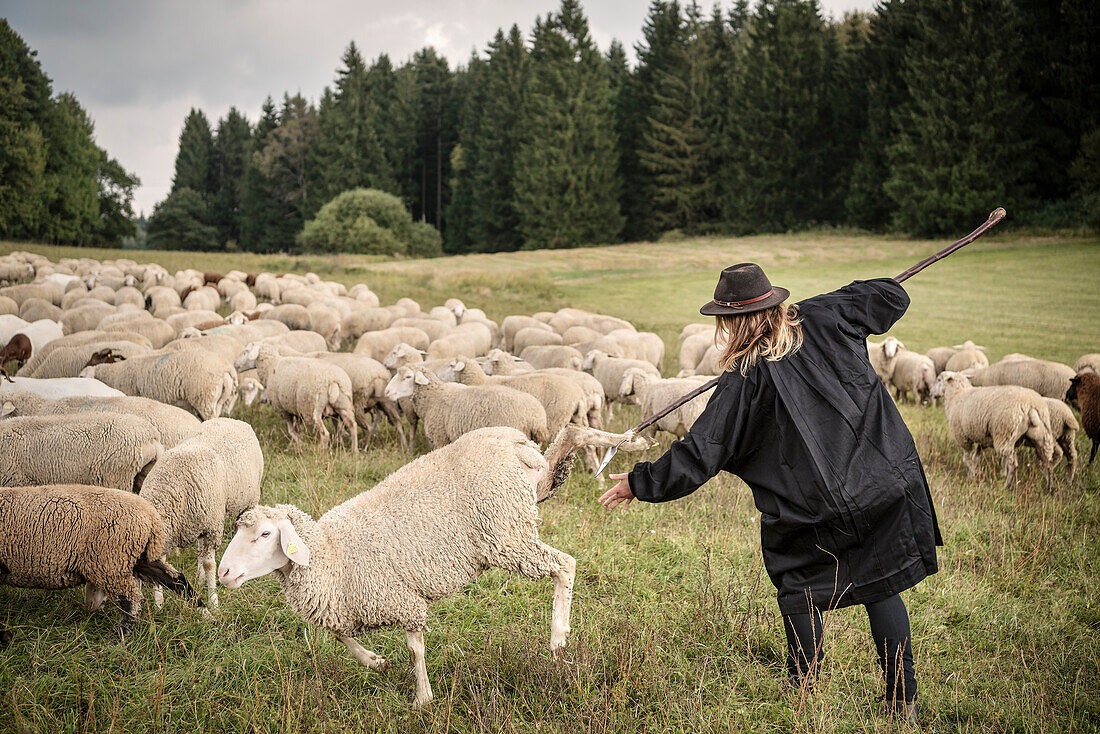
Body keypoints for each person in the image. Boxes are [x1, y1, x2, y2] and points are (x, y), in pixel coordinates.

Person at [599, 263, 941, 725]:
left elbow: (701, 453)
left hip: (810, 509)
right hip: (878, 483)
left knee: (799, 588)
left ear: (730, 322)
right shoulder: (825, 317)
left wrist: (638, 483)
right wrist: (842, 297)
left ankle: (802, 688)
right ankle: (903, 705)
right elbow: (889, 297)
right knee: (881, 585)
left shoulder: (744, 377)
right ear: (774, 303)